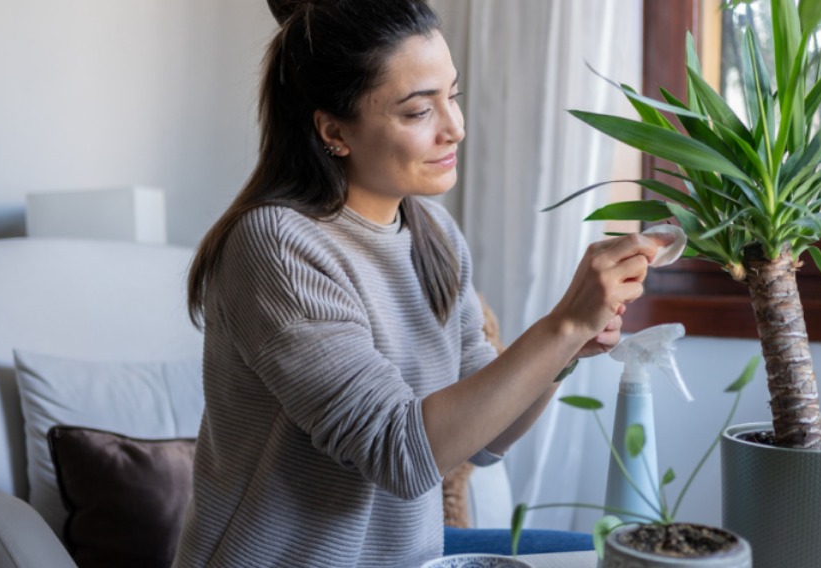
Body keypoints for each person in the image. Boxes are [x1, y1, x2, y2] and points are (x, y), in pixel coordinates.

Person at [175, 1, 670, 566]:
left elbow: (485, 441)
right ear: (333, 130)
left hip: (414, 558)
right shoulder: (276, 247)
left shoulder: (431, 230)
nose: (455, 127)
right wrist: (562, 323)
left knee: (619, 556)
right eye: (417, 112)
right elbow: (401, 456)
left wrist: (566, 350)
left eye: (451, 96)